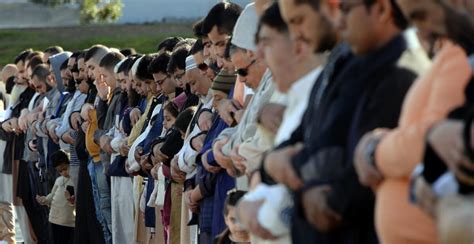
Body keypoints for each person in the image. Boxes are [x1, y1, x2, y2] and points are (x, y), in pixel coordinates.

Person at [35, 150, 75, 244]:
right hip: (54, 218)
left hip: (68, 220)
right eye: (60, 171)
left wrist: (71, 200)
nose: (64, 172)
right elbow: (52, 194)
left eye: (65, 168)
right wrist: (45, 200)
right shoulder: (59, 180)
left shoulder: (74, 180)